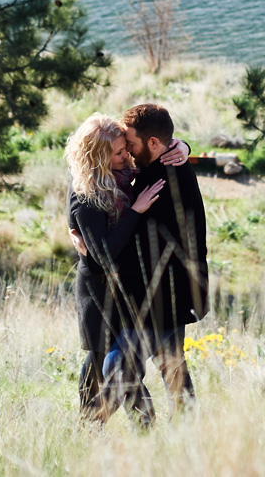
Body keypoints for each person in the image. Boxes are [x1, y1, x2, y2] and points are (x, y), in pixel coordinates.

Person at [63, 113, 190, 419]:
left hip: (128, 288)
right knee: (98, 360)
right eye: (118, 153)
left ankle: (138, 425)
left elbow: (155, 145)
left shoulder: (121, 175)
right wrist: (135, 210)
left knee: (120, 361)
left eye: (124, 148)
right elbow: (103, 255)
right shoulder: (86, 195)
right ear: (96, 157)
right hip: (100, 292)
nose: (127, 156)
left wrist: (184, 147)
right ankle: (94, 423)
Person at [100, 102, 209, 425]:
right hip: (174, 295)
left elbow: (137, 244)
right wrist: (182, 144)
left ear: (152, 143)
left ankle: (94, 424)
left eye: (131, 144)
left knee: (118, 364)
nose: (129, 153)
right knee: (172, 367)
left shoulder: (160, 178)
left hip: (157, 298)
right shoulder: (168, 165)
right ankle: (184, 437)